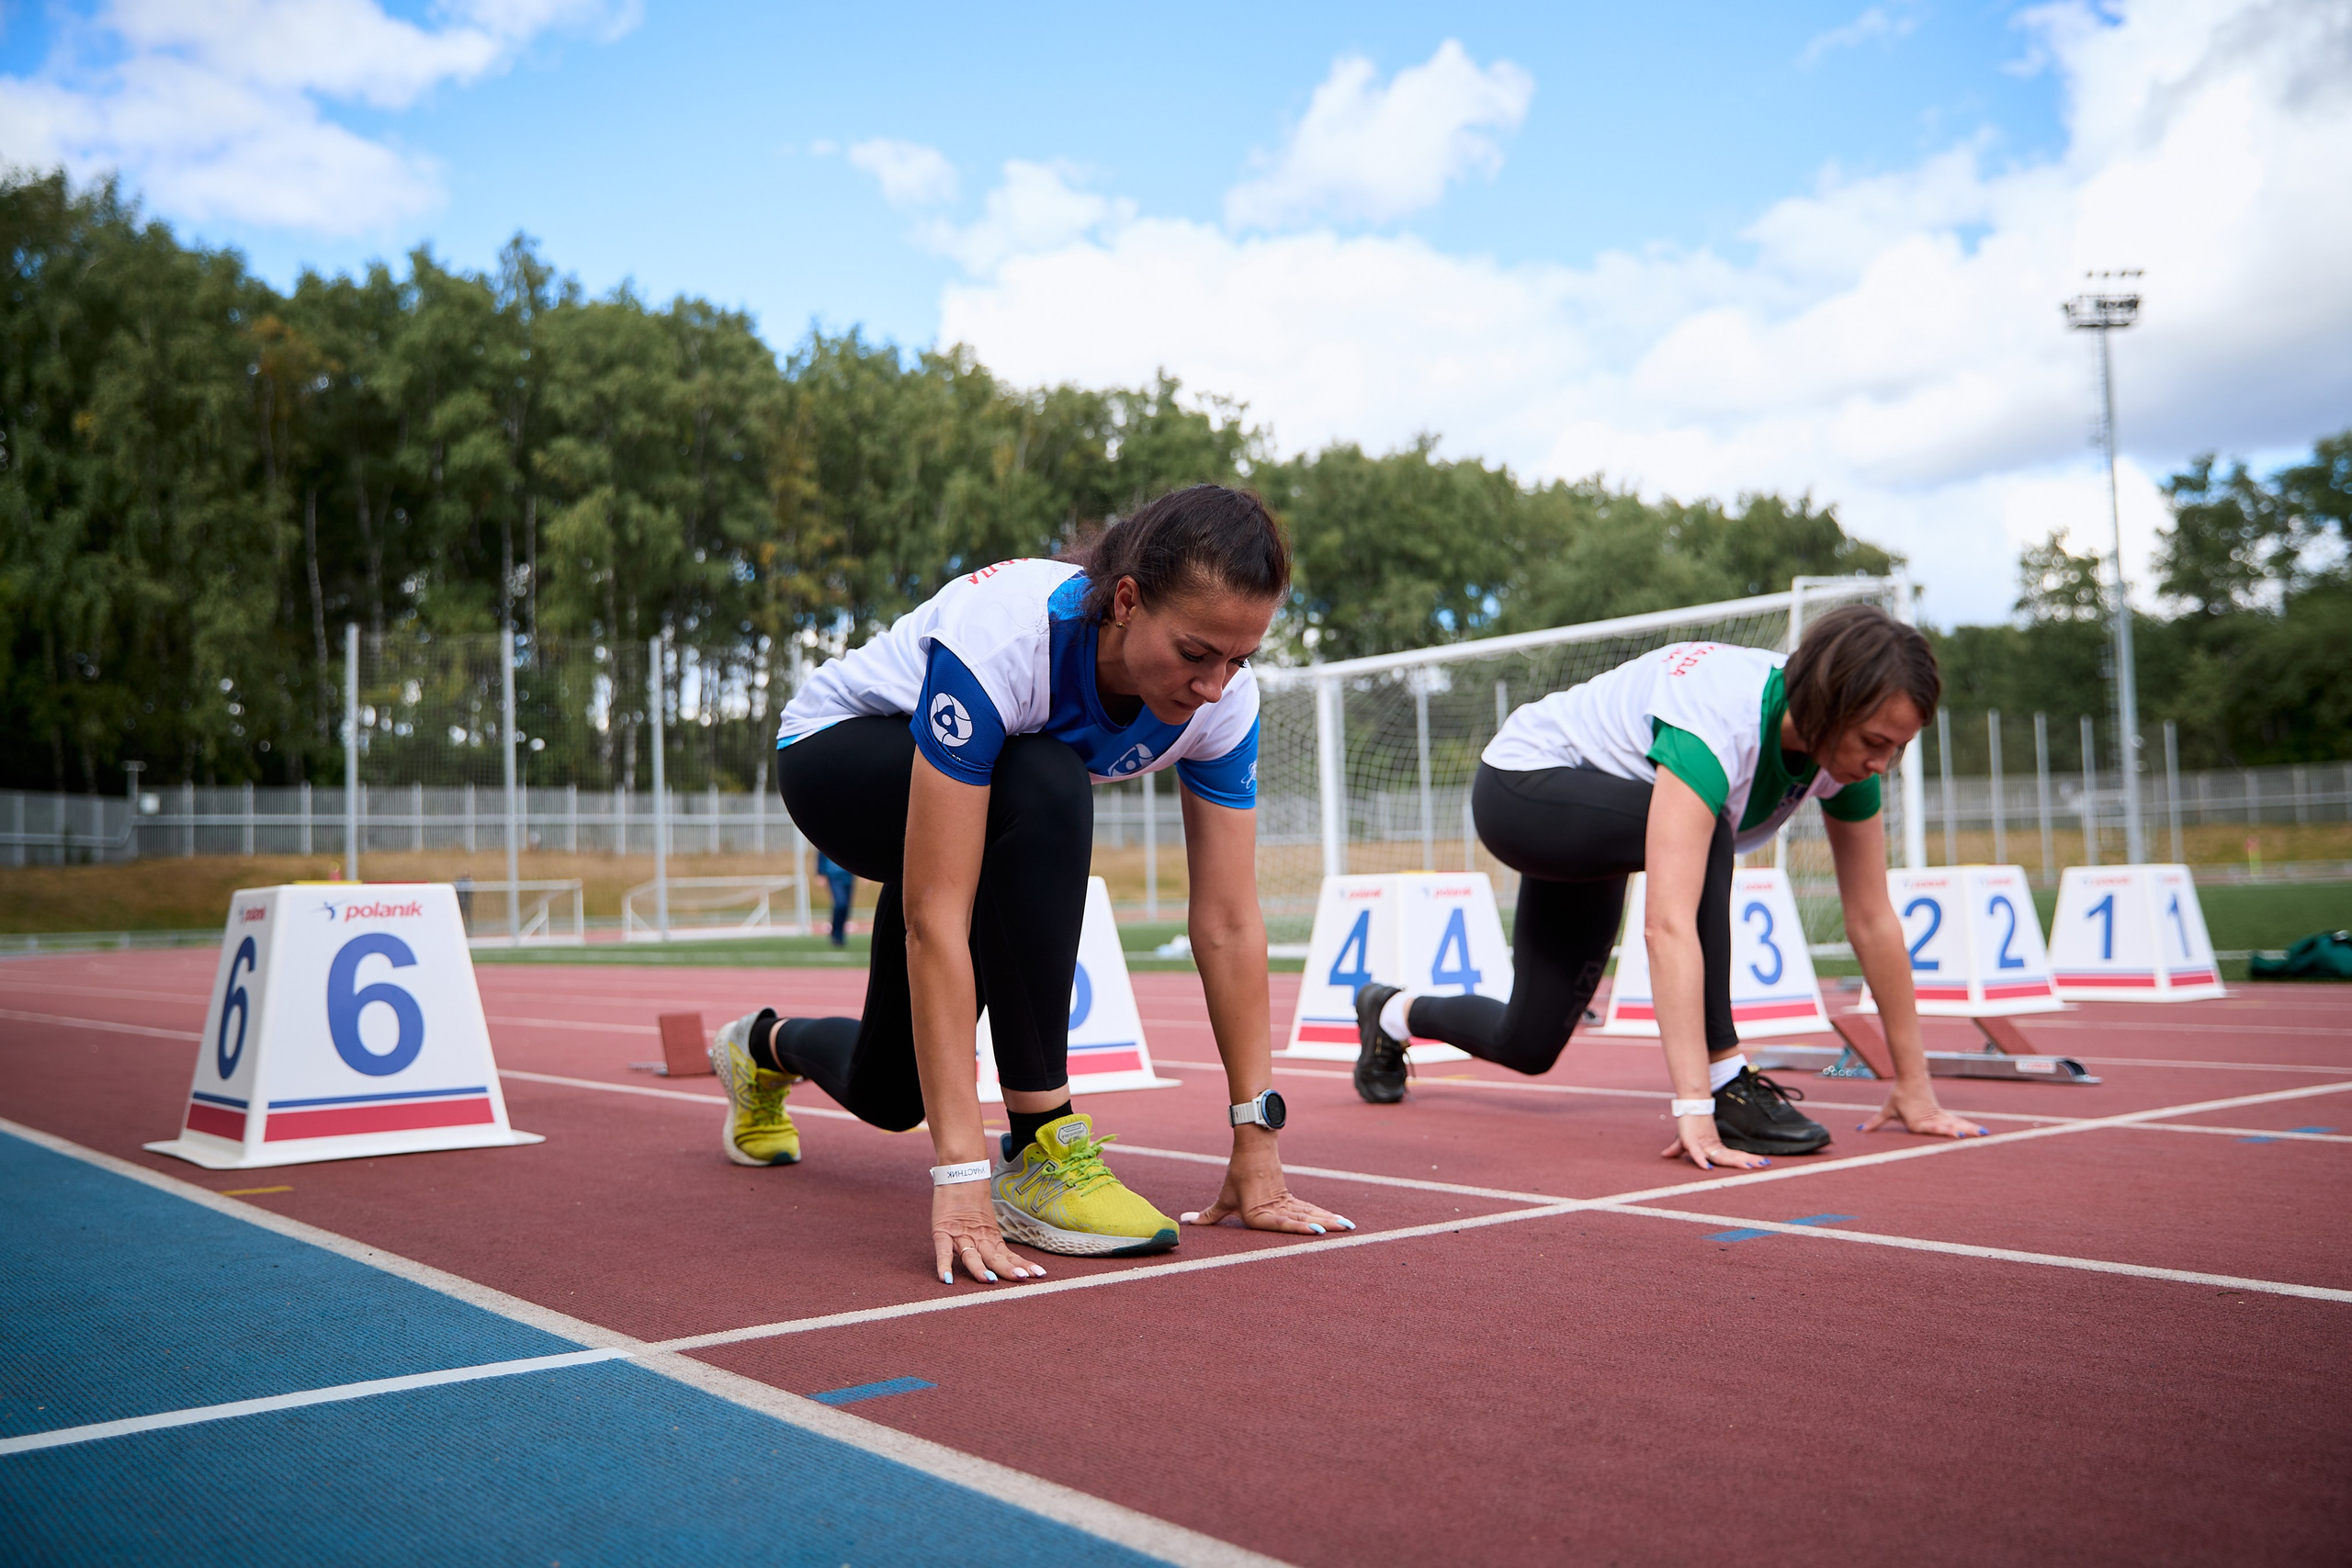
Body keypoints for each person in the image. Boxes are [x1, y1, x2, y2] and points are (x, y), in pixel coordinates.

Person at [712, 485, 1353, 1284]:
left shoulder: (1223, 704)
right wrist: (959, 1175)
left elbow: (1226, 920)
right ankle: (1040, 1145)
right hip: (840, 760)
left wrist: (1257, 1145)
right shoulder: (1007, 639)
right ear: (1126, 601)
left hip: (981, 803)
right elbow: (935, 918)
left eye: (1240, 658)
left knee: (892, 1090)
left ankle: (760, 1046)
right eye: (1195, 654)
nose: (1215, 685)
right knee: (1047, 776)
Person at [1352, 605, 1987, 1170]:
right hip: (1524, 788)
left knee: (1529, 1043)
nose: (1882, 764)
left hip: (1609, 816)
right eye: (1876, 742)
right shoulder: (1720, 720)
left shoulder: (1852, 767)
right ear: (1828, 703)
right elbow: (1668, 924)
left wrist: (1914, 1084)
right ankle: (1727, 1080)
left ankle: (1389, 1011)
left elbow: (1873, 918)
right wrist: (1695, 1104)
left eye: (1898, 748)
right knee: (1707, 835)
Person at [816, 851, 855, 947]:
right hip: (834, 875)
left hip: (848, 875)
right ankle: (836, 934)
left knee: (846, 907)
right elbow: (822, 850)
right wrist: (820, 872)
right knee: (840, 904)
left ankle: (840, 935)